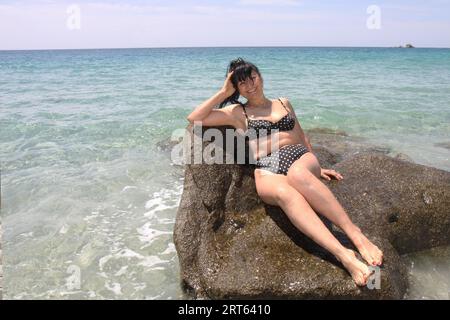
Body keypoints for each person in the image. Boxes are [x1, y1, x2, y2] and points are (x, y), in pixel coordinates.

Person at [187, 58, 383, 286]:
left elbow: (300, 134)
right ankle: (343, 255)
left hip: (299, 157)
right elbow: (195, 118)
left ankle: (356, 235)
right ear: (236, 88)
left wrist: (318, 167)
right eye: (242, 83)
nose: (250, 85)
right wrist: (223, 92)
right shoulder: (237, 112)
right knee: (286, 194)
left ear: (260, 76)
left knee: (299, 176)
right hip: (267, 168)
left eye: (252, 77)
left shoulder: (283, 102)